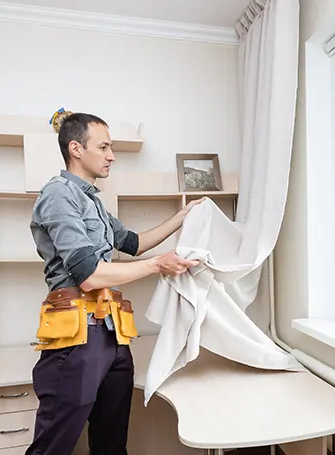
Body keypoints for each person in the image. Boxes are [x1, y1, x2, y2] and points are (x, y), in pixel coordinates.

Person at [25, 112, 203, 455]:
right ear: (76, 148)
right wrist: (157, 266)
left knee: (111, 442)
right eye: (104, 147)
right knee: (53, 444)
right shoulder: (59, 195)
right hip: (77, 336)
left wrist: (181, 217)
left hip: (112, 333)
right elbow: (89, 275)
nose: (111, 156)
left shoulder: (93, 201)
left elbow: (134, 242)